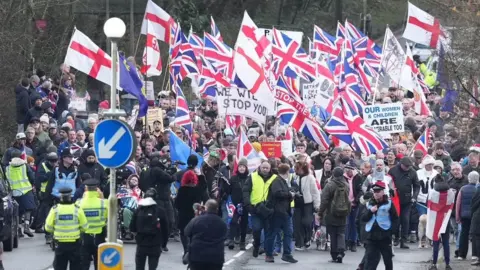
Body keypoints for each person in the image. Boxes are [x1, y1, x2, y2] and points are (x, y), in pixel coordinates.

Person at [45, 187, 88, 270]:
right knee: (76, 266)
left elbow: (48, 227)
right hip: (75, 244)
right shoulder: (77, 209)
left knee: (60, 266)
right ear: (70, 197)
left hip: (60, 244)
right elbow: (85, 227)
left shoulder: (55, 210)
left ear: (60, 197)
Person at [139, 157, 175, 252]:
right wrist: (173, 172)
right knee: (166, 222)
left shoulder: (145, 172)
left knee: (159, 222)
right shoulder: (157, 171)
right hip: (161, 200)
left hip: (154, 199)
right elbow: (170, 178)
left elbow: (140, 185)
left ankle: (159, 243)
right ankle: (162, 243)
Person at [361, 181, 398, 270]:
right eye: (374, 191)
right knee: (370, 259)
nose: (376, 193)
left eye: (378, 191)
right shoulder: (369, 203)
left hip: (384, 235)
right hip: (371, 235)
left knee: (387, 259)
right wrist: (370, 211)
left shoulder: (389, 203)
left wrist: (393, 232)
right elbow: (363, 218)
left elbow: (395, 218)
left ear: (383, 192)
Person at [264, 163, 297, 263]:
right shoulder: (277, 181)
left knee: (288, 233)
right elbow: (277, 193)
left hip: (285, 212)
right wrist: (289, 194)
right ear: (287, 172)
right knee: (273, 233)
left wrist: (291, 195)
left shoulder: (282, 181)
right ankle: (269, 254)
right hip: (276, 212)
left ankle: (287, 254)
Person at [243, 161, 277, 257]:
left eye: (267, 168)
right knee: (257, 229)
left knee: (268, 231)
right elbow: (246, 191)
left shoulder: (275, 178)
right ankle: (257, 245)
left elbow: (277, 193)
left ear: (270, 168)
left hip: (268, 209)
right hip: (255, 208)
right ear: (260, 167)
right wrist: (248, 205)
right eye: (263, 167)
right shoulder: (252, 176)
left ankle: (268, 251)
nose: (265, 169)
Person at [130, 188, 169, 270]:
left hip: (141, 244)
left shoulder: (139, 210)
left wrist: (137, 237)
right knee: (152, 267)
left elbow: (132, 227)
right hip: (155, 244)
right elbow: (166, 229)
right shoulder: (160, 211)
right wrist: (163, 244)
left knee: (139, 267)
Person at [318, 167, 350, 263]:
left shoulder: (330, 185)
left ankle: (334, 255)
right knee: (341, 232)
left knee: (332, 234)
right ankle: (341, 251)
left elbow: (324, 200)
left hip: (331, 212)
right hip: (343, 212)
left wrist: (320, 212)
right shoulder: (346, 185)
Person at [185, 199, 227, 270]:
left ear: (206, 208)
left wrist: (196, 216)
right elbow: (225, 236)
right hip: (216, 258)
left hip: (197, 257)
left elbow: (187, 232)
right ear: (217, 209)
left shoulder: (197, 220)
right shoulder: (222, 223)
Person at [388, 157, 420, 248]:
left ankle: (404, 240)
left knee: (405, 220)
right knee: (396, 220)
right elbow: (388, 182)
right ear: (401, 164)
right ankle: (396, 237)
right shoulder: (393, 170)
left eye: (409, 166)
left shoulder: (412, 172)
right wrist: (391, 191)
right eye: (406, 166)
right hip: (395, 199)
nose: (407, 168)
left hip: (407, 200)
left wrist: (414, 197)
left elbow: (417, 186)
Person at [174, 167, 205, 261]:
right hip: (194, 215)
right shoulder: (197, 190)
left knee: (183, 233)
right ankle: (191, 250)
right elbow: (200, 199)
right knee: (193, 233)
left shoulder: (182, 190)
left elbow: (176, 204)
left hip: (183, 214)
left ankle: (186, 250)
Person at [77, 179, 107, 270]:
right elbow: (109, 216)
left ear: (86, 189)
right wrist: (102, 197)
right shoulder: (103, 203)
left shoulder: (79, 203)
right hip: (100, 237)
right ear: (97, 189)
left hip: (84, 238)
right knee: (99, 264)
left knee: (84, 264)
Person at [6, 149, 36, 237]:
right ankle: (26, 226)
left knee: (17, 212)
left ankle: (18, 230)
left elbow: (6, 180)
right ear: (20, 156)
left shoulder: (8, 168)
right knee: (28, 209)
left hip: (14, 192)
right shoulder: (24, 166)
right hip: (26, 190)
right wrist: (32, 184)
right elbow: (31, 176)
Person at [427, 177, 455, 270]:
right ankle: (447, 264)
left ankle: (434, 264)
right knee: (446, 243)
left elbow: (429, 206)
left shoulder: (432, 193)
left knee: (435, 242)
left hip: (435, 221)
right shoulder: (451, 193)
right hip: (445, 221)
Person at [292, 161, 320, 251]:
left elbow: (315, 192)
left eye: (298, 168)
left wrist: (317, 205)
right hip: (297, 203)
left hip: (308, 203)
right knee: (298, 224)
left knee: (307, 222)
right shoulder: (294, 177)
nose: (297, 169)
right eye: (296, 168)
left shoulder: (310, 177)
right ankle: (299, 243)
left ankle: (307, 238)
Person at [222, 158, 249, 250]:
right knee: (233, 222)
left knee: (244, 224)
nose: (241, 168)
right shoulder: (233, 178)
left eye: (243, 167)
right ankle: (231, 240)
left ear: (246, 168)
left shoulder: (249, 178)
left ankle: (242, 241)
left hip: (245, 204)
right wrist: (226, 184)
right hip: (235, 204)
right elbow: (228, 191)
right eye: (240, 166)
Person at [33, 151, 58, 234]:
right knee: (43, 210)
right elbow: (40, 178)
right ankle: (38, 226)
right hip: (44, 191)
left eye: (55, 161)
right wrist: (50, 173)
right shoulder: (43, 166)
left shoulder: (58, 166)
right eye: (52, 161)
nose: (54, 163)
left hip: (54, 190)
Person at [455, 171, 479, 260]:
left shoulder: (463, 189)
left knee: (463, 234)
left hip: (464, 215)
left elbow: (458, 204)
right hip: (476, 216)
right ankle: (475, 255)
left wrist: (458, 216)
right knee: (475, 234)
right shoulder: (478, 189)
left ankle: (461, 254)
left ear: (468, 179)